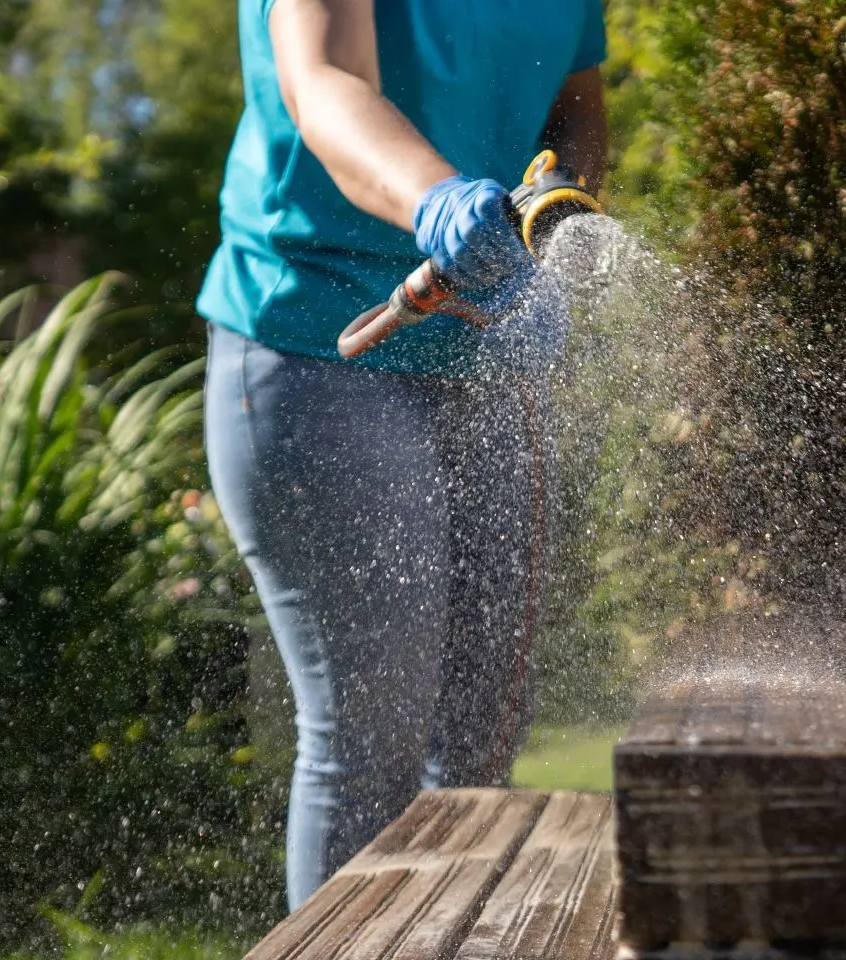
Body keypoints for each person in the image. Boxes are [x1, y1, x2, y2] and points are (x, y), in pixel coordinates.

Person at [195, 0, 606, 908]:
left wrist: (558, 210)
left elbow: (576, 105)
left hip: (487, 353)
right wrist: (439, 198)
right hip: (315, 334)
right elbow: (325, 80)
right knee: (369, 746)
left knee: (478, 749)